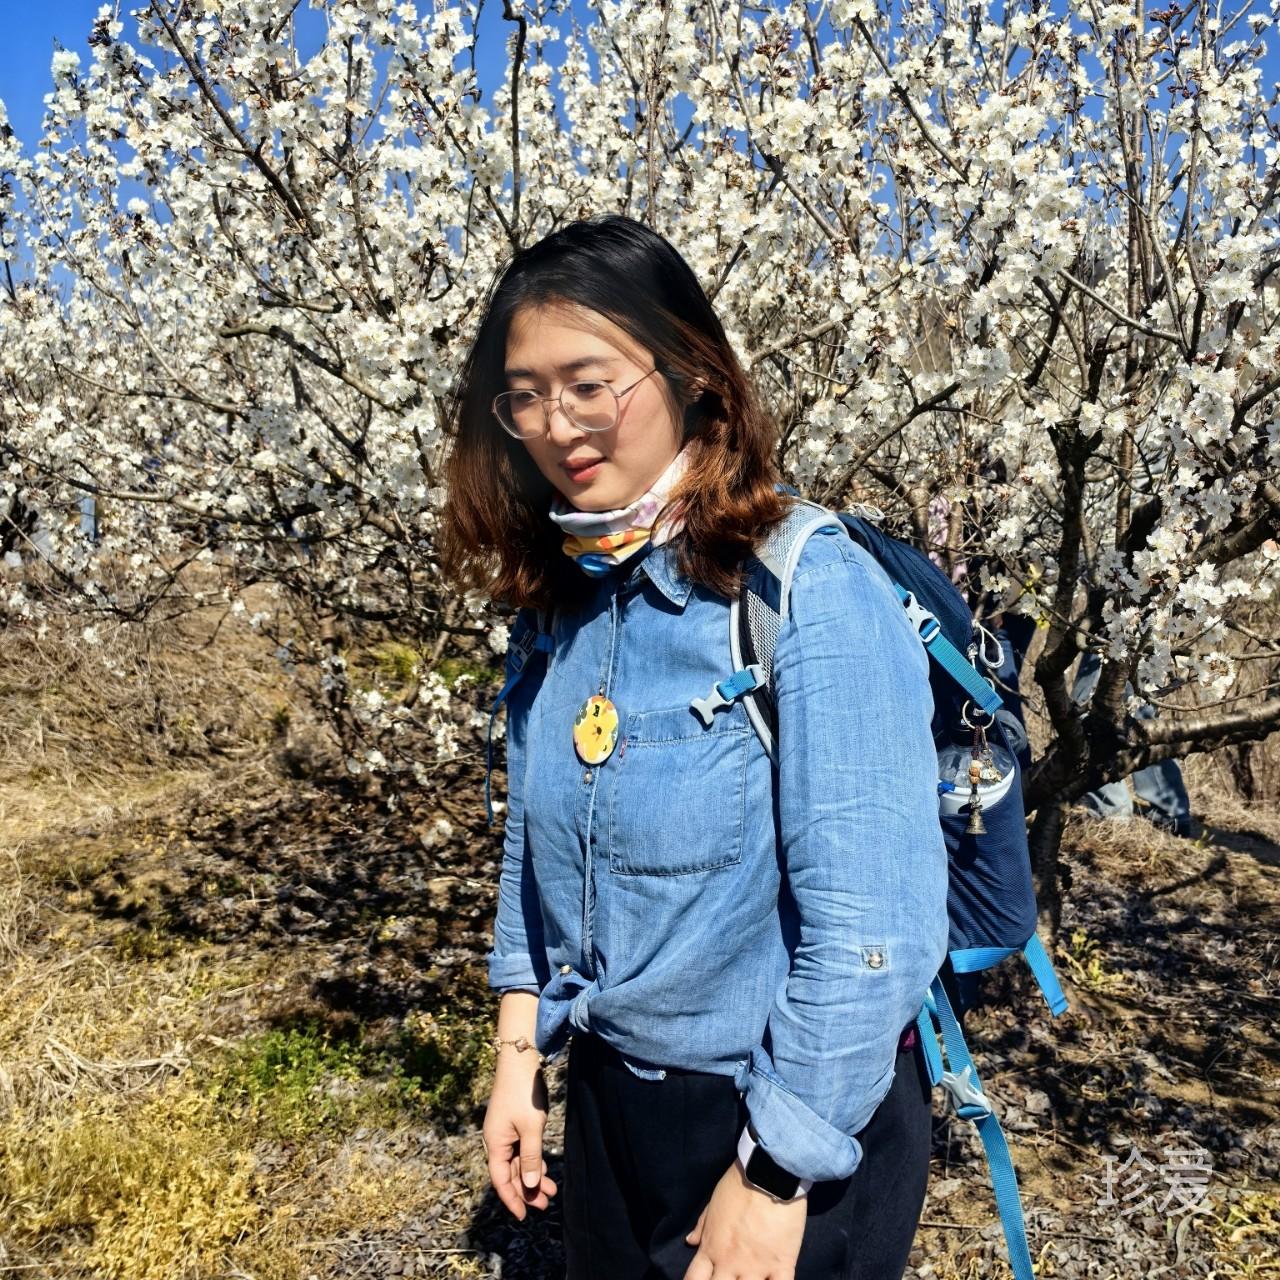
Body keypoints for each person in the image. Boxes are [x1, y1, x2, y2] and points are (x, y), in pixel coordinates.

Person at [439, 214, 950, 1280]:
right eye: (523, 395)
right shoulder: (562, 606)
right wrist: (518, 1057)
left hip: (779, 1113)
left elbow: (874, 932)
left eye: (589, 385)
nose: (557, 426)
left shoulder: (803, 585)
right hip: (613, 1103)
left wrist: (773, 1175)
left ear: (691, 376)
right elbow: (534, 855)